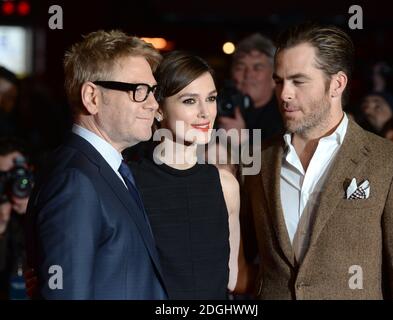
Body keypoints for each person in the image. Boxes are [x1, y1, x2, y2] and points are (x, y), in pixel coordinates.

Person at [240, 22, 393, 299]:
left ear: (337, 84)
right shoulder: (256, 158)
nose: (284, 94)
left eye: (298, 81)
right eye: (279, 81)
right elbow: (242, 256)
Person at [25, 30, 167, 299]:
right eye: (139, 91)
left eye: (153, 91)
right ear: (92, 97)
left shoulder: (109, 170)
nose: (153, 104)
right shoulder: (75, 181)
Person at [129, 51, 240, 299]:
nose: (205, 112)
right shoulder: (128, 182)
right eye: (189, 101)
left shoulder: (225, 185)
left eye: (211, 99)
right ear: (158, 109)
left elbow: (232, 278)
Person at [218, 33, 284, 143]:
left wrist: (243, 141)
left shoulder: (284, 118)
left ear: (274, 77)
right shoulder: (220, 107)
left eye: (257, 68)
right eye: (240, 67)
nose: (248, 74)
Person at [0, 138, 31, 299]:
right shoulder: (4, 214)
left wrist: (34, 210)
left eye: (19, 174)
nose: (16, 184)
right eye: (6, 177)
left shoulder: (51, 209)